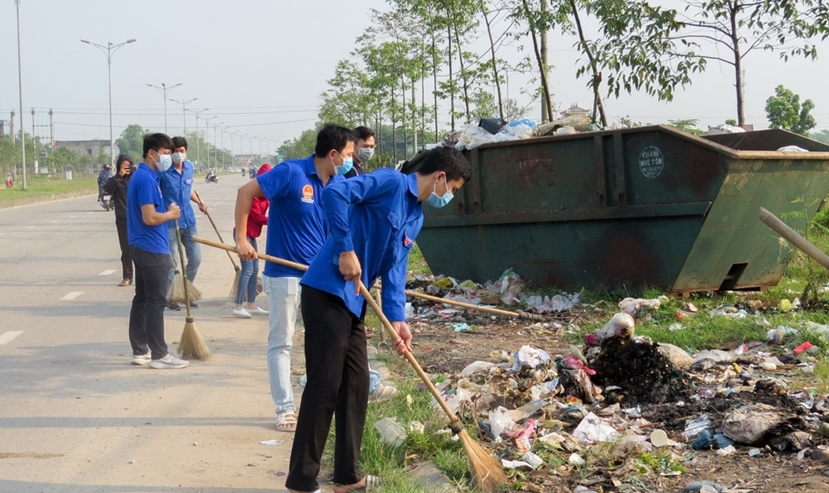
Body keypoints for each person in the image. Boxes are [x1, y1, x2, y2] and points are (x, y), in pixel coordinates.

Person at [285, 145, 470, 493]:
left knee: (355, 386)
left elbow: (396, 271)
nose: (450, 196)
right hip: (326, 292)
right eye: (453, 189)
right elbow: (336, 193)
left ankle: (347, 476)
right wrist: (345, 248)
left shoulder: (416, 216)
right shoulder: (390, 183)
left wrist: (399, 319)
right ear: (440, 177)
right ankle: (301, 480)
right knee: (325, 385)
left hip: (354, 303)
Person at [235, 123, 354, 432]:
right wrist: (242, 240)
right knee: (282, 342)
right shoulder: (290, 173)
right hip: (285, 274)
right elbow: (246, 191)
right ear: (332, 154)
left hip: (319, 278)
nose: (352, 160)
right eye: (349, 154)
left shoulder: (337, 186)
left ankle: (321, 401)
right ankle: (285, 408)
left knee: (326, 341)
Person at [127, 133, 188, 370]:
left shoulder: (145, 176)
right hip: (152, 248)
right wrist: (171, 215)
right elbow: (150, 217)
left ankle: (140, 350)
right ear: (151, 153)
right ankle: (160, 354)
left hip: (141, 246)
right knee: (155, 302)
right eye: (164, 153)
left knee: (142, 299)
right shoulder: (146, 179)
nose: (168, 157)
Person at [159, 136, 208, 310]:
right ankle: (171, 297)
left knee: (195, 259)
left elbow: (188, 190)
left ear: (186, 151)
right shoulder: (163, 171)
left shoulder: (189, 168)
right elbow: (156, 192)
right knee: (173, 262)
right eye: (175, 151)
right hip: (171, 223)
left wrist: (200, 202)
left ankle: (186, 292)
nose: (179, 154)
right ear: (170, 153)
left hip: (189, 221)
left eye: (182, 151)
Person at [233, 163, 272, 318]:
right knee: (247, 270)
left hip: (253, 235)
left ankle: (251, 303)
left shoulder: (266, 198)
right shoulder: (254, 196)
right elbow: (258, 217)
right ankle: (238, 305)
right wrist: (275, 220)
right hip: (243, 235)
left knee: (255, 270)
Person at [104, 154, 135, 286]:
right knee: (126, 250)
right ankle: (127, 277)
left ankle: (144, 277)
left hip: (138, 219)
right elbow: (107, 189)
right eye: (124, 165)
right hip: (122, 219)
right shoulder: (116, 180)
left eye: (128, 165)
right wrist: (119, 176)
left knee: (140, 249)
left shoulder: (136, 179)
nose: (126, 168)